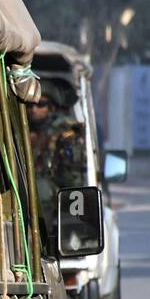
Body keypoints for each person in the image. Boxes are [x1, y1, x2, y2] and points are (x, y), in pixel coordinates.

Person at [27, 77, 87, 250]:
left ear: (51, 106)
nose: (34, 110)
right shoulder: (17, 130)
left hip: (54, 198)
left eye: (41, 104)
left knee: (42, 188)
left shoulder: (65, 134)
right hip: (25, 195)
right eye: (30, 105)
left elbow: (73, 180)